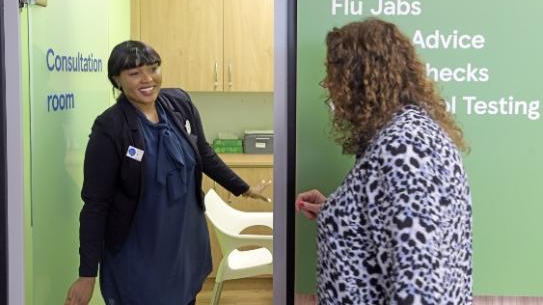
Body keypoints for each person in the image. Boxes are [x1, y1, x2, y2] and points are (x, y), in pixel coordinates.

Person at [65, 40, 270, 305]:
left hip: (184, 241)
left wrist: (243, 188)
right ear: (117, 80)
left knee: (186, 298)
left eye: (153, 68)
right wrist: (87, 274)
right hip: (138, 250)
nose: (147, 79)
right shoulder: (110, 128)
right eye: (134, 73)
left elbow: (204, 153)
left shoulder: (179, 103)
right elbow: (95, 205)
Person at [296, 18, 472, 304]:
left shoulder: (405, 148)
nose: (329, 87)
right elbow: (391, 228)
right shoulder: (406, 134)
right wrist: (338, 212)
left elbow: (419, 285)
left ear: (360, 80)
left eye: (334, 77)